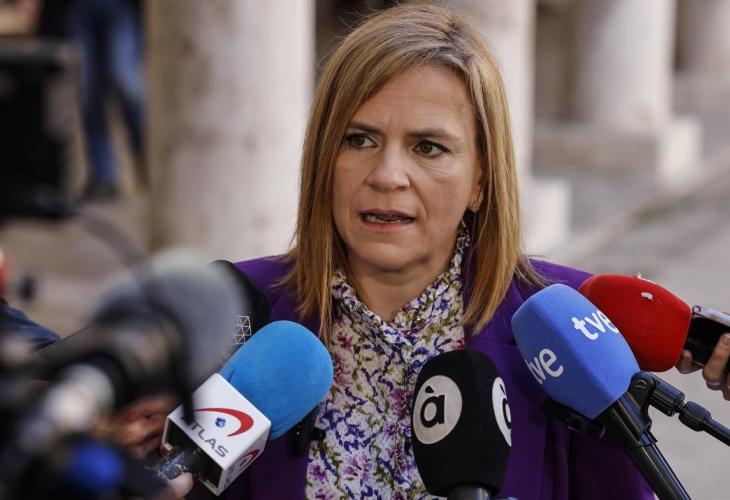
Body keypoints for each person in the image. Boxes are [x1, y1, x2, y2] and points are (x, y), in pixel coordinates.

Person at [113, 4, 727, 499]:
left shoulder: (568, 333)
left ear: (481, 179)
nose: (386, 175)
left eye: (428, 147)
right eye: (358, 139)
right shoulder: (232, 314)